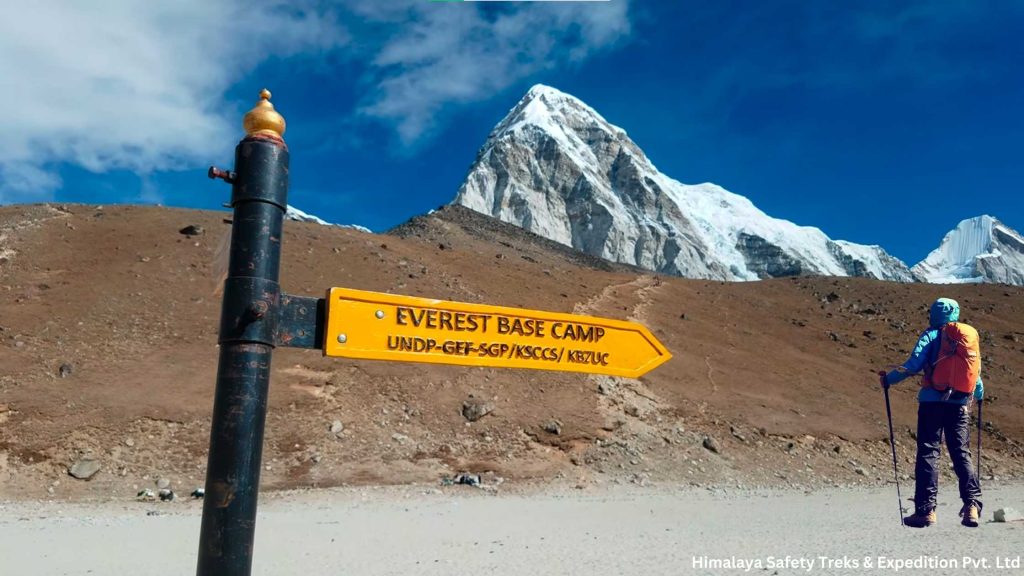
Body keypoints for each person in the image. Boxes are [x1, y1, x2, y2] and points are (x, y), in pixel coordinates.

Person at [880, 297, 984, 528]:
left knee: (928, 452)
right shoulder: (966, 337)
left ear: (933, 313)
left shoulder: (931, 335)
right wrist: (977, 395)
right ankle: (972, 506)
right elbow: (975, 375)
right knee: (961, 453)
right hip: (959, 403)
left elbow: (913, 364)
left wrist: (888, 379)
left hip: (932, 403)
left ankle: (926, 511)